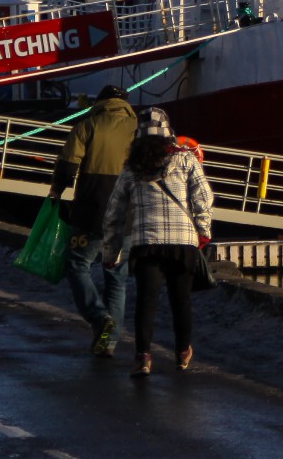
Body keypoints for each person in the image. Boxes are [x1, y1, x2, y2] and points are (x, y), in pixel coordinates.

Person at [103, 108, 213, 377]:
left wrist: (111, 251)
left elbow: (114, 213)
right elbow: (204, 197)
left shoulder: (132, 168)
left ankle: (142, 357)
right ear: (168, 134)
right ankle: (182, 353)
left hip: (146, 243)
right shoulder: (186, 160)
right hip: (182, 243)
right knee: (181, 300)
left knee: (146, 301)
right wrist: (202, 230)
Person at [50, 84, 138, 355]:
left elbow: (67, 164)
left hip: (91, 209)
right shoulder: (137, 129)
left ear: (100, 101)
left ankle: (100, 318)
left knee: (77, 265)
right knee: (116, 277)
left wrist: (56, 191)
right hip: (126, 214)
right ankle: (108, 344)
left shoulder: (88, 124)